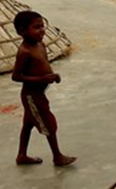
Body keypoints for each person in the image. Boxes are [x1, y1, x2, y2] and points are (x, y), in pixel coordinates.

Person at [11, 10, 76, 167]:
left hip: (39, 93)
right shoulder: (24, 52)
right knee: (49, 124)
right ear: (22, 31)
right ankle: (57, 157)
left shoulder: (41, 45)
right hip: (32, 96)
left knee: (28, 124)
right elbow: (16, 76)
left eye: (42, 26)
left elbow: (43, 65)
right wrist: (41, 79)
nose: (42, 30)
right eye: (36, 27)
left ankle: (21, 155)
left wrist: (52, 76)